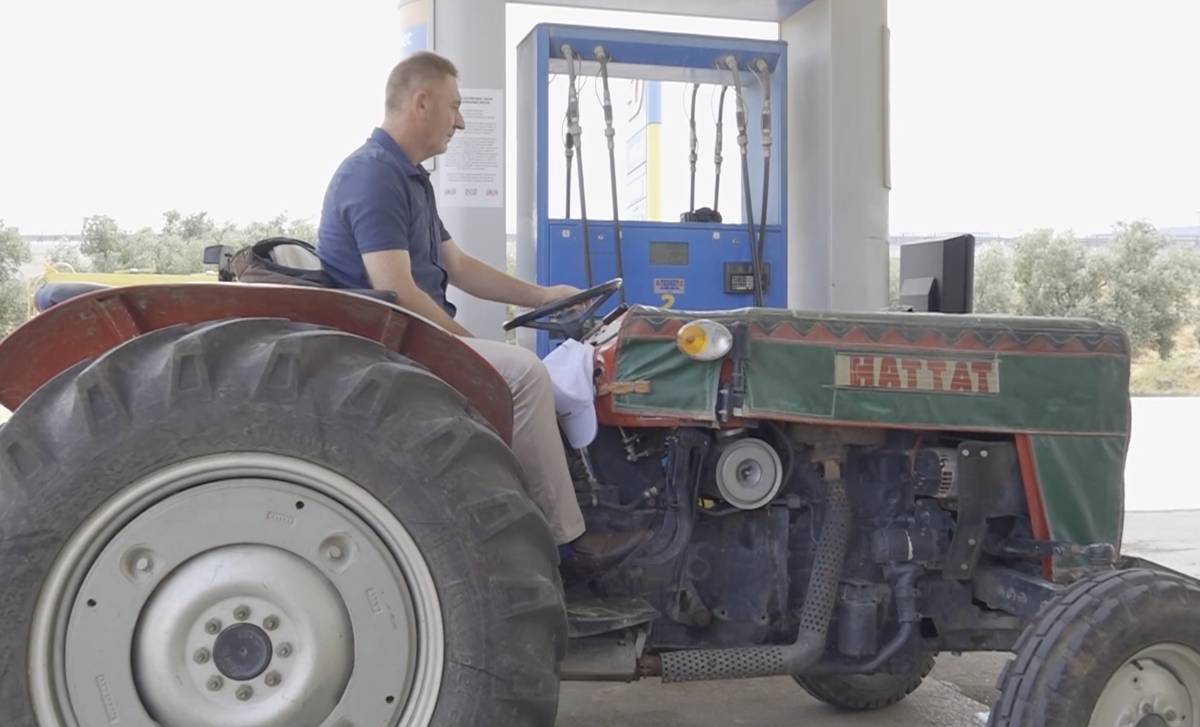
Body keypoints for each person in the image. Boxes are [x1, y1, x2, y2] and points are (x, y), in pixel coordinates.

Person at [317, 51, 641, 566]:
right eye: (454, 106)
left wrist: (542, 296)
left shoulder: (408, 178)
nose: (461, 121)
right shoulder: (372, 176)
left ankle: (578, 494)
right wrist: (464, 346)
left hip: (407, 335)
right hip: (389, 345)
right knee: (525, 372)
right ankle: (567, 539)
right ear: (421, 103)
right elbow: (396, 289)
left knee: (542, 369)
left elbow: (459, 264)